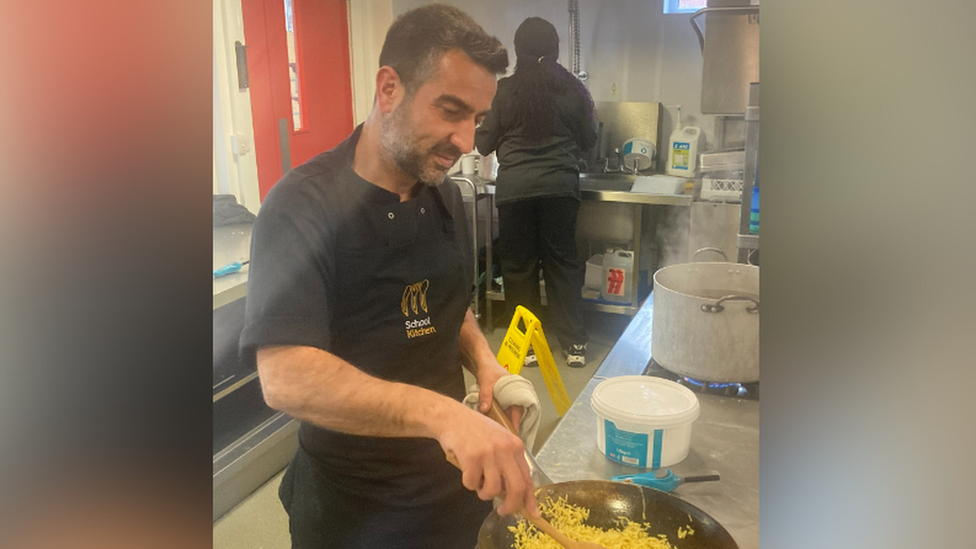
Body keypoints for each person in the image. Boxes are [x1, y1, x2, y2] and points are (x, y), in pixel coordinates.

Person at [240, 6, 539, 549]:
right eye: (450, 110)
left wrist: (484, 359)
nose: (466, 139)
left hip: (452, 490)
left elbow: (448, 306)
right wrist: (444, 415)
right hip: (352, 506)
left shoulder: (444, 193)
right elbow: (285, 376)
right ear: (388, 88)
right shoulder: (300, 207)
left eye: (477, 117)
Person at [475, 17, 597, 368]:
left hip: (515, 192)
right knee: (563, 264)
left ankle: (525, 346)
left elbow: (484, 142)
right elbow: (589, 139)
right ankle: (574, 346)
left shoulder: (505, 91)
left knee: (518, 268)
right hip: (560, 189)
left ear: (518, 51)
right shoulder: (573, 89)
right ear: (556, 50)